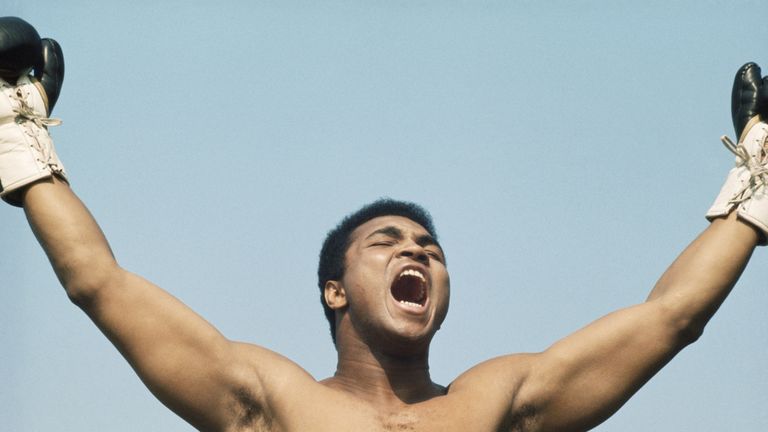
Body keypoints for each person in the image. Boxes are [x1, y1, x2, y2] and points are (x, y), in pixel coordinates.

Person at [2, 17, 766, 432]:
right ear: (334, 291)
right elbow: (98, 283)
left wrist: (755, 182)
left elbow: (672, 317)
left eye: (431, 248)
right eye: (388, 242)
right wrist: (20, 141)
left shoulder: (499, 402)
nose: (418, 253)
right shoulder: (270, 399)